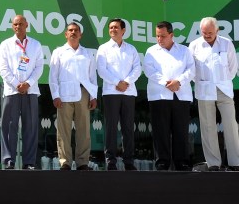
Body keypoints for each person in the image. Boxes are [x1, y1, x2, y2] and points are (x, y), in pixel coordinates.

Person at [188, 17, 239, 171]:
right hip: (204, 90)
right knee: (207, 126)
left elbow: (232, 68)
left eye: (210, 32)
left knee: (231, 124)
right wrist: (203, 82)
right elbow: (192, 70)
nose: (207, 35)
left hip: (224, 89)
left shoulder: (226, 43)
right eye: (204, 32)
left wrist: (221, 80)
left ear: (217, 30)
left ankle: (235, 162)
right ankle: (213, 164)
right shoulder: (194, 45)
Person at [144, 21, 195, 171]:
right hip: (159, 95)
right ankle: (162, 161)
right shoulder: (151, 51)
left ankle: (182, 161)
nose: (159, 39)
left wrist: (179, 81)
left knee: (181, 130)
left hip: (181, 94)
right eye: (157, 36)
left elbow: (191, 70)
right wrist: (167, 83)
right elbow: (149, 70)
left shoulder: (184, 51)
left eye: (163, 36)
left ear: (171, 35)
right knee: (160, 130)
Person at [0, 15, 44, 170]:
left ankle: (29, 162)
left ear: (27, 25)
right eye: (15, 24)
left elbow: (39, 67)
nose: (18, 27)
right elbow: (2, 68)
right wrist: (17, 84)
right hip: (12, 90)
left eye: (21, 24)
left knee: (30, 126)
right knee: (9, 126)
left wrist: (28, 83)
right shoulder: (5, 44)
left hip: (31, 91)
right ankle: (8, 160)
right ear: (12, 26)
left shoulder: (35, 44)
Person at [49, 22, 97, 171]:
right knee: (64, 130)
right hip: (64, 94)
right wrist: (55, 95)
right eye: (70, 30)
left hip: (83, 93)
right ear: (66, 34)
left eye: (76, 30)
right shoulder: (58, 52)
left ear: (80, 34)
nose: (73, 32)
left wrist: (93, 96)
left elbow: (92, 76)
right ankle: (65, 162)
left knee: (84, 130)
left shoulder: (87, 53)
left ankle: (82, 162)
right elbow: (53, 76)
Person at [96, 18, 142, 171]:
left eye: (116, 27)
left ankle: (129, 161)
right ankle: (111, 161)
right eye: (110, 27)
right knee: (111, 127)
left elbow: (137, 68)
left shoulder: (131, 49)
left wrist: (126, 82)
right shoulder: (103, 48)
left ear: (123, 30)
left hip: (129, 92)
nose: (113, 30)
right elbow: (101, 70)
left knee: (128, 127)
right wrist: (117, 82)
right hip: (111, 92)